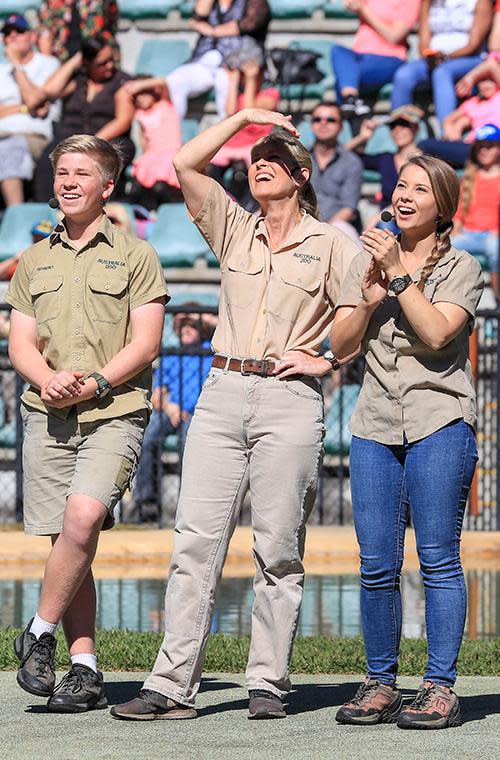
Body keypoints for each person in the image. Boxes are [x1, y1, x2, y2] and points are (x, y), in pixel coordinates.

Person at [110, 109, 359, 721]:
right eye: (255, 159)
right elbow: (184, 163)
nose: (260, 163)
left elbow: (357, 311)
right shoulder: (234, 227)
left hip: (288, 396)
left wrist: (326, 356)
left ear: (301, 176)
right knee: (195, 542)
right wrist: (247, 118)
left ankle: (268, 682)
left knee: (278, 547)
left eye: (274, 157)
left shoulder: (332, 243)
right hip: (222, 390)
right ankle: (172, 686)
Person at [6, 135, 167, 713]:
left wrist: (97, 382)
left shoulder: (135, 255)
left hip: (114, 409)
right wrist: (44, 377)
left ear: (107, 186)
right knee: (71, 546)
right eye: (62, 173)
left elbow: (147, 344)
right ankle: (86, 667)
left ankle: (36, 632)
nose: (69, 182)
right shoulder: (35, 259)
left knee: (84, 516)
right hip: (46, 413)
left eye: (82, 173)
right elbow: (20, 340)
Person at [331, 154, 483, 729]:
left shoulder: (462, 266)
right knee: (375, 563)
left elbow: (440, 332)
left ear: (442, 206)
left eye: (421, 189)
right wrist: (369, 298)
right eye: (401, 185)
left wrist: (398, 276)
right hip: (373, 425)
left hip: (438, 422)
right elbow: (341, 343)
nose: (405, 195)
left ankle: (440, 686)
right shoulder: (366, 260)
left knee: (438, 559)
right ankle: (380, 683)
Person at [133, 305, 214, 520]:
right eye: (182, 326)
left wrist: (189, 410)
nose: (186, 330)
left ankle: (190, 505)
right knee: (148, 437)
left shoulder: (210, 352)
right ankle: (146, 502)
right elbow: (157, 394)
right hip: (170, 412)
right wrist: (171, 408)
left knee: (189, 444)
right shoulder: (170, 354)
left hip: (197, 414)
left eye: (192, 326)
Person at [33, 35, 134, 201]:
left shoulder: (121, 81)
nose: (110, 65)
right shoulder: (78, 79)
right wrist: (76, 60)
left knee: (106, 159)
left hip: (108, 138)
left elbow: (123, 120)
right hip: (70, 136)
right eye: (102, 63)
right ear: (87, 63)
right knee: (49, 159)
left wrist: (90, 143)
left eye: (111, 59)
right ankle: (47, 211)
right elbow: (49, 91)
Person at [391, 0, 493, 129]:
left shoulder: (480, 2)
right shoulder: (429, 2)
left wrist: (446, 57)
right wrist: (429, 55)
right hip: (435, 60)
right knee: (404, 75)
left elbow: (473, 44)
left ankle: (446, 134)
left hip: (471, 60)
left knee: (442, 72)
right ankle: (399, 130)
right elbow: (423, 42)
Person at [165, 0, 271, 119]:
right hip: (206, 59)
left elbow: (251, 23)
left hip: (235, 64)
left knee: (225, 86)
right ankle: (172, 135)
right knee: (174, 82)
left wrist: (212, 31)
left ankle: (226, 135)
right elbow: (197, 19)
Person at [0, 14, 60, 206]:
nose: (13, 37)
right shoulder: (1, 71)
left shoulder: (48, 64)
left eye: (20, 31)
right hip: (3, 133)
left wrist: (17, 65)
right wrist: (26, 108)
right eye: (8, 34)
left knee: (8, 149)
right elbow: (32, 106)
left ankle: (16, 219)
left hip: (33, 136)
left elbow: (35, 102)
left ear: (32, 37)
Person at [208, 56, 280, 209]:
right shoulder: (238, 96)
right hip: (232, 146)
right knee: (209, 169)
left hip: (253, 145)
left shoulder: (270, 95)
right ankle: (223, 203)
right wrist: (233, 82)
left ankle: (247, 207)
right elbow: (229, 113)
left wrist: (251, 78)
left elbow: (250, 114)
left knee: (240, 171)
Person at [330, 0, 421, 118]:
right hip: (359, 58)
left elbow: (394, 36)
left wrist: (363, 9)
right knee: (337, 51)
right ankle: (351, 100)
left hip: (389, 59)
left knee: (343, 81)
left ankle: (351, 100)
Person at [346, 105, 423, 223]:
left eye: (403, 124)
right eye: (393, 125)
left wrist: (384, 214)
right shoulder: (386, 159)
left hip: (418, 219)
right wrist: (362, 137)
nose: (397, 130)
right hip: (389, 222)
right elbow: (343, 155)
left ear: (415, 127)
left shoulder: (428, 160)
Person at [452, 123, 500, 294]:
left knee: (495, 248)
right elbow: (459, 210)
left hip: (492, 235)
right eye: (480, 147)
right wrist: (456, 228)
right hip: (469, 233)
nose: (484, 151)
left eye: (490, 146)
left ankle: (497, 298)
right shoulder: (469, 177)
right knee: (445, 246)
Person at [122, 76, 183, 210]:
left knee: (160, 187)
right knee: (137, 189)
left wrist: (139, 84)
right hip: (152, 156)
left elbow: (162, 82)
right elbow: (144, 138)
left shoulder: (166, 104)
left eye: (144, 93)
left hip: (169, 154)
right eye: (137, 96)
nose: (139, 98)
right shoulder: (140, 114)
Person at [309, 101, 363, 242]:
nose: (323, 123)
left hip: (336, 227)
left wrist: (322, 232)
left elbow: (349, 209)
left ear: (341, 126)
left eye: (331, 120)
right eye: (317, 119)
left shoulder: (352, 162)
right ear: (311, 124)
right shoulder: (297, 158)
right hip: (299, 224)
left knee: (344, 230)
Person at [419, 75, 500, 166]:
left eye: (490, 81)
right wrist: (454, 130)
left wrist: (473, 75)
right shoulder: (473, 102)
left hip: (495, 144)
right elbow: (448, 119)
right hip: (473, 146)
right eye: (482, 81)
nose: (486, 85)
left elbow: (491, 65)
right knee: (425, 145)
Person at [37, 0, 119, 62]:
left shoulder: (100, 3)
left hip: (97, 61)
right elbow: (45, 37)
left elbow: (109, 32)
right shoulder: (51, 5)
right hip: (63, 63)